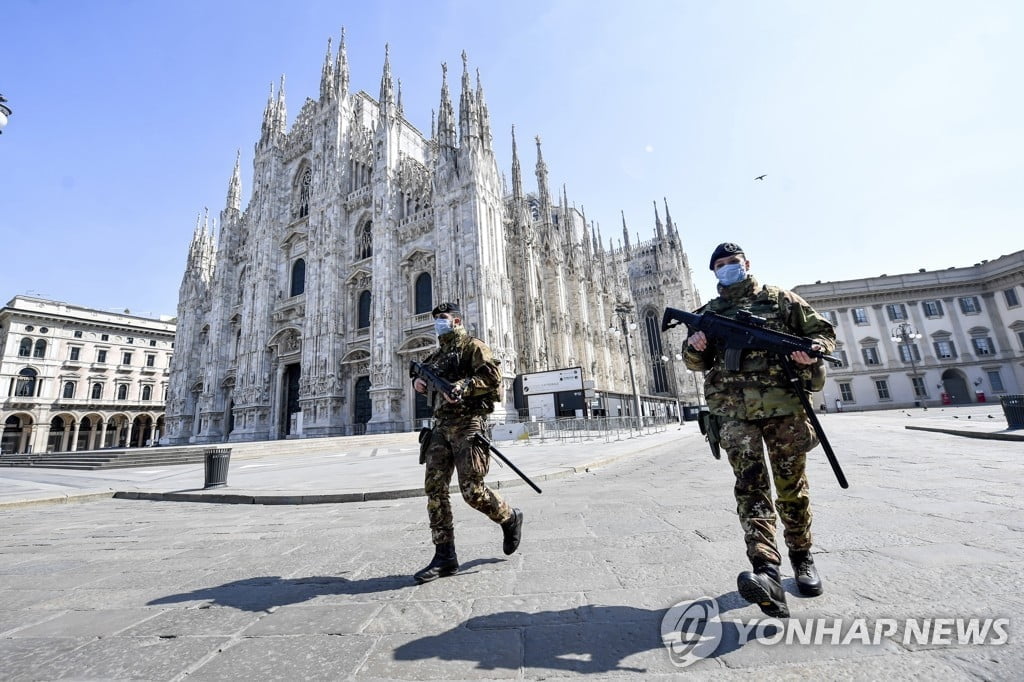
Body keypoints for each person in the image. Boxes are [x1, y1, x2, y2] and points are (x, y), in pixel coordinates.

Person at [683, 242, 836, 618]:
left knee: (791, 487)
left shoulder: (782, 300)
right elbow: (694, 362)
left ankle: (801, 556)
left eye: (732, 263)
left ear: (746, 264)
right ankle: (765, 569)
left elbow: (823, 334)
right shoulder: (708, 313)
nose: (727, 269)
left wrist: (812, 349)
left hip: (784, 409)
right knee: (750, 490)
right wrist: (695, 345)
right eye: (720, 265)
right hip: (735, 415)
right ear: (713, 272)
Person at [411, 302, 523, 584]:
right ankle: (445, 555)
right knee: (434, 489)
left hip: (468, 424)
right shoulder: (436, 355)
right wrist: (418, 382)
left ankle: (509, 517)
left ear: (457, 321)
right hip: (440, 428)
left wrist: (463, 386)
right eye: (435, 319)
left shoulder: (473, 346)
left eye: (444, 318)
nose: (439, 322)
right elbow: (419, 371)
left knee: (472, 491)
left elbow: (492, 377)